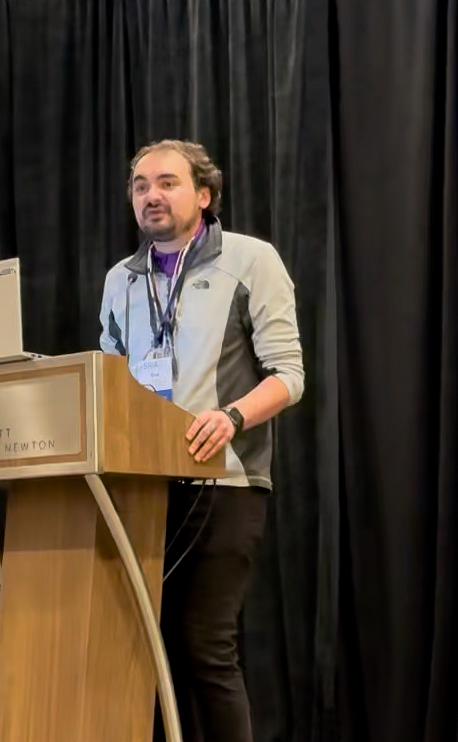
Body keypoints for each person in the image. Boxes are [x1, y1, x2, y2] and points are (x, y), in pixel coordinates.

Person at [97, 139, 304, 742]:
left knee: (204, 647)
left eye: (167, 183)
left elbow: (288, 375)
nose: (151, 195)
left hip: (225, 481)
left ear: (204, 195)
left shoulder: (249, 260)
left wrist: (231, 417)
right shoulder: (121, 280)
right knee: (144, 649)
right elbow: (108, 380)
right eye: (140, 185)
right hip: (141, 485)